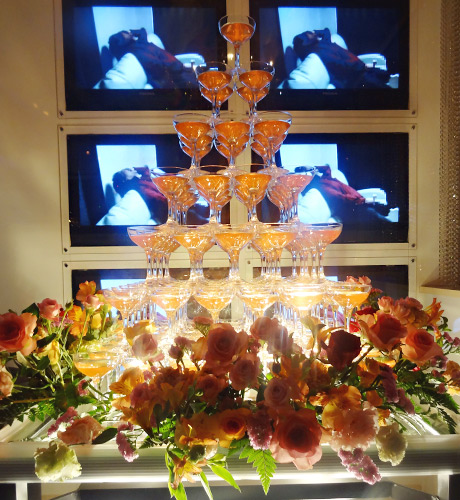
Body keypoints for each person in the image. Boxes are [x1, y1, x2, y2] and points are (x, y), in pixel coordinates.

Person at [97, 166, 208, 226]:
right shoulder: (138, 188)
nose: (131, 169)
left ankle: (204, 210)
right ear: (124, 179)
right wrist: (171, 201)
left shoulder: (143, 179)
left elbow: (147, 170)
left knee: (200, 206)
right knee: (194, 214)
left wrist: (137, 169)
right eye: (127, 170)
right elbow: (156, 199)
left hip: (176, 195)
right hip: (168, 206)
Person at [285, 28, 390, 89]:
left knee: (386, 76)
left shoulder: (322, 43)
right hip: (357, 77)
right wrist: (364, 67)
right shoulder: (319, 53)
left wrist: (315, 32)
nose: (312, 33)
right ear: (306, 42)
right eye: (309, 33)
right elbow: (341, 63)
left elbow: (326, 31)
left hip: (361, 69)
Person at [97, 28, 197, 89]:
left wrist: (131, 32)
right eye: (125, 33)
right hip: (178, 75)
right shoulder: (136, 53)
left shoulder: (140, 42)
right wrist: (183, 68)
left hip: (181, 68)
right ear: (122, 42)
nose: (128, 33)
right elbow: (159, 65)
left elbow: (142, 31)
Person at [298, 165, 393, 227]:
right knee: (373, 214)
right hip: (352, 210)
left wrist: (313, 168)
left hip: (356, 200)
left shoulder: (324, 179)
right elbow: (344, 198)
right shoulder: (323, 188)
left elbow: (327, 168)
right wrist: (366, 201)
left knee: (376, 211)